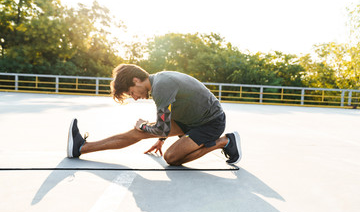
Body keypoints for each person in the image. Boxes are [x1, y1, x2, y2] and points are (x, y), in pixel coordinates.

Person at [67, 64, 242, 165]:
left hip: (210, 122)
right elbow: (165, 124)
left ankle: (225, 141)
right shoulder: (157, 83)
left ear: (136, 80)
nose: (134, 98)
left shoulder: (161, 85)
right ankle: (82, 147)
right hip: (188, 119)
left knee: (171, 158)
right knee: (140, 132)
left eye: (131, 92)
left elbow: (162, 128)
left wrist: (145, 126)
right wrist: (160, 138)